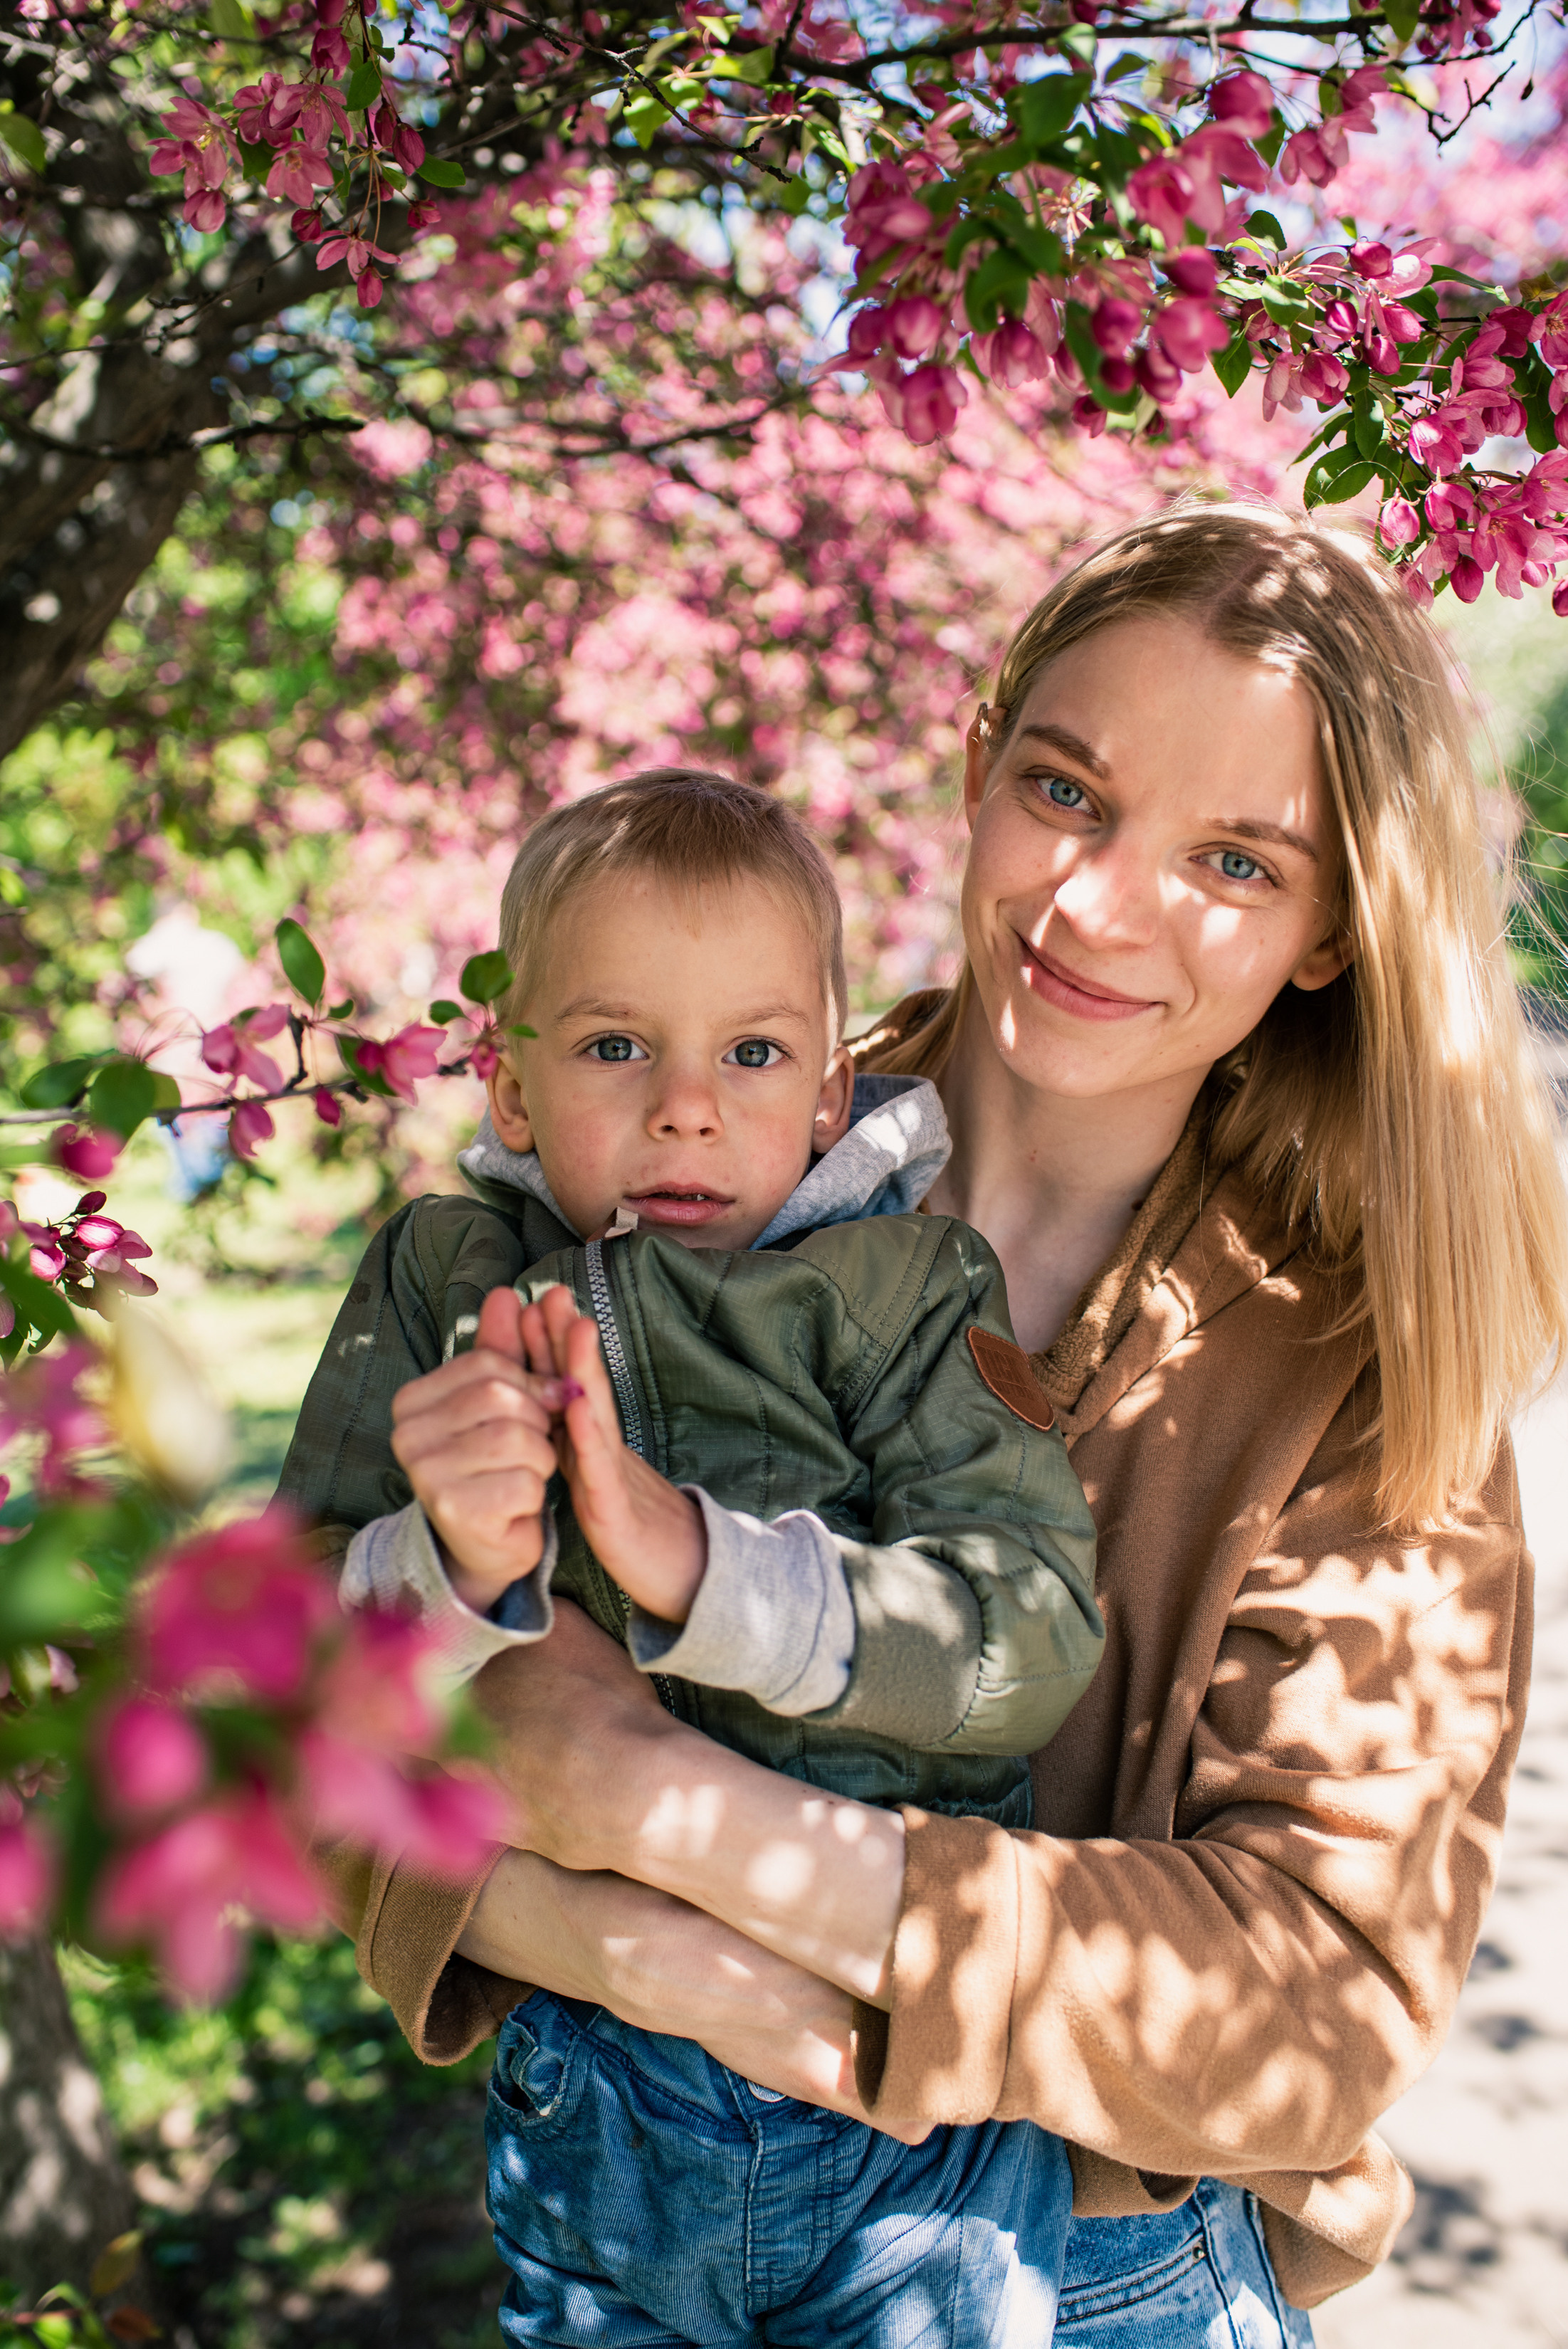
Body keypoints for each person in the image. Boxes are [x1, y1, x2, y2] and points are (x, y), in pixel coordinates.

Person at [283, 503, 1567, 2343]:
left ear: (1322, 929)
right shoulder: (684, 1116)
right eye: (1064, 790)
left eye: (1228, 857)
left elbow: (1317, 2011)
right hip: (613, 2202)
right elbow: (297, 1686)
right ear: (973, 768)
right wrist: (566, 1924)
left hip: (1083, 2266)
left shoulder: (1353, 1366)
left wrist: (658, 1803)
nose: (1103, 904)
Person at [306, 770, 1106, 2343]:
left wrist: (701, 1572)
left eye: (751, 1053)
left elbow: (1031, 1627)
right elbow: (287, 1648)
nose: (688, 1105)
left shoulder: (900, 1290)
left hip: (899, 2117)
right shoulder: (443, 1281)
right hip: (589, 2084)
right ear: (513, 1091)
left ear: (827, 1091)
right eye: (618, 1046)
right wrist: (450, 1568)